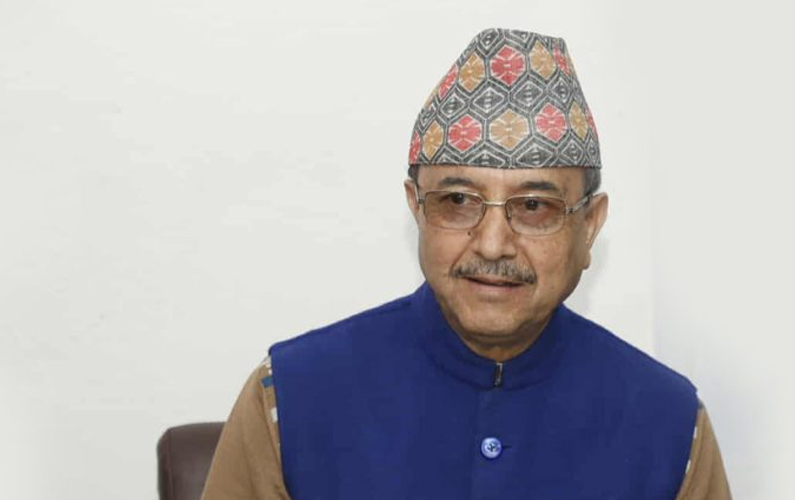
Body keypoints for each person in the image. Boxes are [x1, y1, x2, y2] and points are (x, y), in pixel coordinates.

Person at [201, 28, 731, 500]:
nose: (493, 245)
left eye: (534, 206)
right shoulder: (291, 397)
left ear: (589, 226)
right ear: (417, 208)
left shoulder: (667, 424)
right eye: (457, 201)